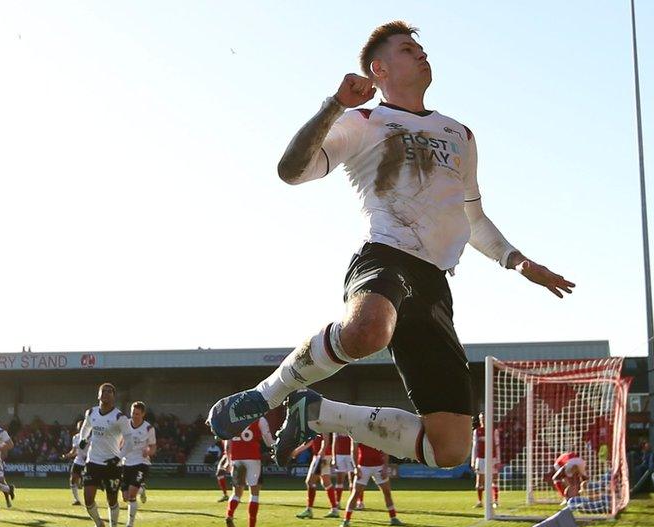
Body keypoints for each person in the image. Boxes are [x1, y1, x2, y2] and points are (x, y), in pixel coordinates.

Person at [207, 20, 574, 473]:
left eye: (420, 48)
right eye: (407, 49)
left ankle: (318, 413)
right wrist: (333, 105)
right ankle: (267, 395)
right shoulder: (362, 120)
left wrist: (515, 261)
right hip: (386, 254)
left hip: (435, 283)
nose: (421, 54)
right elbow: (291, 171)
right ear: (378, 68)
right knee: (368, 331)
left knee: (451, 449)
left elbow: (472, 217)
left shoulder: (460, 134)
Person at [80, 383, 131, 527]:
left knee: (112, 500)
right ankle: (98, 523)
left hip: (111, 464)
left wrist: (119, 457)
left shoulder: (120, 418)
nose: (106, 394)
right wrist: (83, 438)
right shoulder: (91, 412)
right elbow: (86, 427)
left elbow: (129, 441)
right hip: (93, 461)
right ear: (98, 395)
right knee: (88, 499)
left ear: (114, 396)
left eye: (110, 392)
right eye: (104, 391)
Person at [223, 417, 274, 527]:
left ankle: (229, 515)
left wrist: (228, 460)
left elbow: (227, 443)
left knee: (236, 493)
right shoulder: (260, 419)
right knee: (254, 493)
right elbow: (269, 442)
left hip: (236, 459)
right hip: (253, 458)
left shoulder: (233, 419)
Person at [340, 442, 402, 527]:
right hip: (363, 467)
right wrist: (356, 467)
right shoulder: (357, 433)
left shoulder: (377, 432)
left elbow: (385, 449)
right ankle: (346, 519)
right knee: (355, 493)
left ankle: (393, 518)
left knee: (387, 492)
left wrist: (385, 466)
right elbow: (353, 450)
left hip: (379, 466)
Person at [119, 401, 157, 527]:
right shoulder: (125, 425)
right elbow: (120, 441)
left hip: (141, 463)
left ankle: (130, 525)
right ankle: (141, 489)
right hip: (126, 462)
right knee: (124, 497)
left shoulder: (148, 429)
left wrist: (148, 451)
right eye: (133, 413)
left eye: (137, 414)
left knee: (131, 495)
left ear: (143, 414)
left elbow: (153, 447)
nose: (134, 416)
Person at [292, 434, 340, 519]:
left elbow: (326, 441)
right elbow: (310, 442)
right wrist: (297, 451)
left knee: (310, 481)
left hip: (321, 456)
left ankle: (309, 510)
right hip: (321, 455)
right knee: (326, 482)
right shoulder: (314, 428)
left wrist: (321, 456)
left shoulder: (320, 425)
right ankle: (334, 509)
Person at [471, 412, 499, 508]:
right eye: (481, 418)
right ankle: (479, 502)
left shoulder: (494, 431)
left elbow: (497, 446)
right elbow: (474, 447)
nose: (482, 420)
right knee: (479, 482)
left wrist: (498, 461)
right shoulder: (477, 431)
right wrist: (473, 460)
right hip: (481, 458)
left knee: (494, 480)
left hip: (492, 458)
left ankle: (495, 501)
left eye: (484, 418)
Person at [63, 419, 88, 506]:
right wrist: (68, 455)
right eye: (79, 426)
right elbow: (74, 451)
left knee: (86, 482)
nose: (80, 428)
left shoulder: (90, 437)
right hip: (79, 460)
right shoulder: (76, 437)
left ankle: (88, 500)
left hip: (89, 461)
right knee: (73, 479)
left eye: (82, 426)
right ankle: (77, 499)